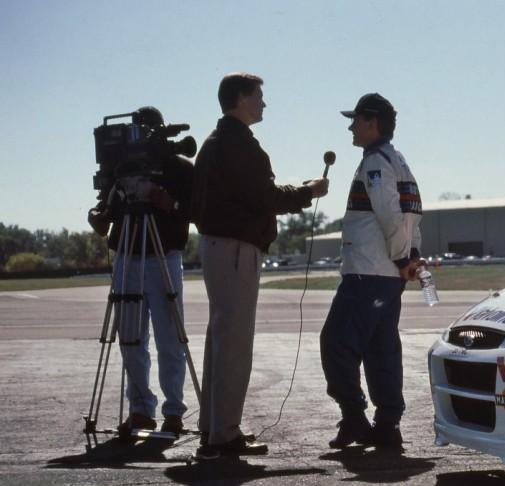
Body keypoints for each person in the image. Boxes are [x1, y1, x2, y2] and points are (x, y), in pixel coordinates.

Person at [191, 72, 329, 459]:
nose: (264, 103)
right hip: (235, 249)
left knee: (221, 340)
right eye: (258, 96)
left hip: (218, 246)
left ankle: (214, 428)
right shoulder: (237, 144)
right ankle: (224, 436)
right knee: (233, 344)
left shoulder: (216, 142)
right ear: (240, 99)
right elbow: (264, 196)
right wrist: (308, 192)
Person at [321, 93, 423, 450]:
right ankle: (387, 425)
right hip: (389, 277)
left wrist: (400, 260)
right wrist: (410, 259)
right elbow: (413, 218)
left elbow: (391, 216)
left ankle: (354, 418)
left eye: (355, 119)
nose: (351, 126)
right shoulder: (399, 161)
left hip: (367, 274)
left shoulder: (375, 164)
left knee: (335, 344)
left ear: (371, 121)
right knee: (382, 350)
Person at [87, 106, 194, 437]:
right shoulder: (120, 167)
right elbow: (107, 213)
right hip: (127, 257)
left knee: (169, 337)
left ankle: (173, 411)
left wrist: (170, 205)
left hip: (164, 256)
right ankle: (140, 410)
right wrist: (99, 215)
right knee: (130, 338)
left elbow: (195, 210)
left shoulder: (179, 168)